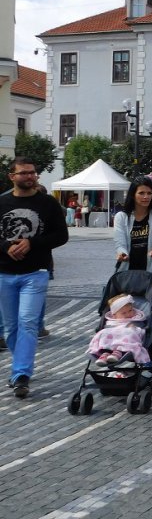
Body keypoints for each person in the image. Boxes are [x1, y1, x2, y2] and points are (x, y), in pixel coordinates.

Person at [0, 158, 69, 398]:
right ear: (12, 176)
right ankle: (20, 364)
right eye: (24, 173)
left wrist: (32, 243)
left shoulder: (48, 203)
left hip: (35, 273)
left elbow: (61, 236)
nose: (29, 176)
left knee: (28, 323)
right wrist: (6, 246)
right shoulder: (2, 203)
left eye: (32, 173)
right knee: (11, 328)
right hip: (4, 273)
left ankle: (21, 374)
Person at [113, 177, 152, 271]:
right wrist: (122, 253)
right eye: (141, 193)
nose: (146, 197)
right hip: (127, 273)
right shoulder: (121, 217)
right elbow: (119, 242)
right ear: (133, 195)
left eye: (149, 193)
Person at [87, 293, 149, 366]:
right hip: (111, 341)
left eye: (130, 310)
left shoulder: (137, 318)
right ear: (114, 315)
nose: (128, 314)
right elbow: (109, 329)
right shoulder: (112, 322)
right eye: (124, 313)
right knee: (103, 332)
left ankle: (117, 353)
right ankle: (104, 354)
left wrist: (134, 327)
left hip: (125, 341)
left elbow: (140, 328)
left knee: (130, 332)